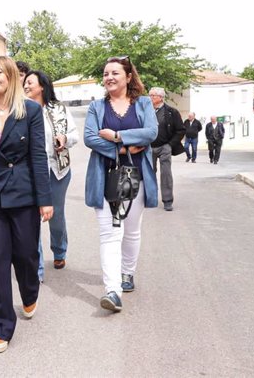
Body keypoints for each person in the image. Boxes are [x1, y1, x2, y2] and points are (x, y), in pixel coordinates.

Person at [0, 56, 53, 353]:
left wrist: (45, 199)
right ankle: (2, 325)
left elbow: (38, 157)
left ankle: (29, 292)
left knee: (27, 255)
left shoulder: (30, 110)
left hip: (23, 194)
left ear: (10, 77)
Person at [84, 56, 158, 313]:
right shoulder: (96, 107)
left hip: (135, 176)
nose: (109, 77)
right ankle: (113, 290)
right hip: (104, 176)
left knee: (131, 229)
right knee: (109, 232)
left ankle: (127, 273)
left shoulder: (144, 103)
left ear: (128, 77)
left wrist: (117, 137)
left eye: (115, 72)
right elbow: (90, 138)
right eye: (106, 73)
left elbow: (151, 133)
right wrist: (127, 147)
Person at [23, 70, 79, 281]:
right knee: (31, 219)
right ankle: (36, 267)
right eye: (25, 83)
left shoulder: (60, 109)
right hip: (30, 171)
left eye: (30, 83)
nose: (26, 86)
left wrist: (64, 138)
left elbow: (75, 134)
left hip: (58, 170)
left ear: (42, 87)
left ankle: (59, 250)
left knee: (55, 214)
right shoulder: (21, 110)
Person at [148, 87, 185, 212]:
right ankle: (150, 198)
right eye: (150, 95)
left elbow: (181, 130)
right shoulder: (146, 111)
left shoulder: (171, 112)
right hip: (149, 147)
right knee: (149, 174)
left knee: (166, 174)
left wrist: (170, 145)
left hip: (165, 147)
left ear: (160, 97)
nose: (150, 97)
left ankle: (167, 201)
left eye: (153, 95)